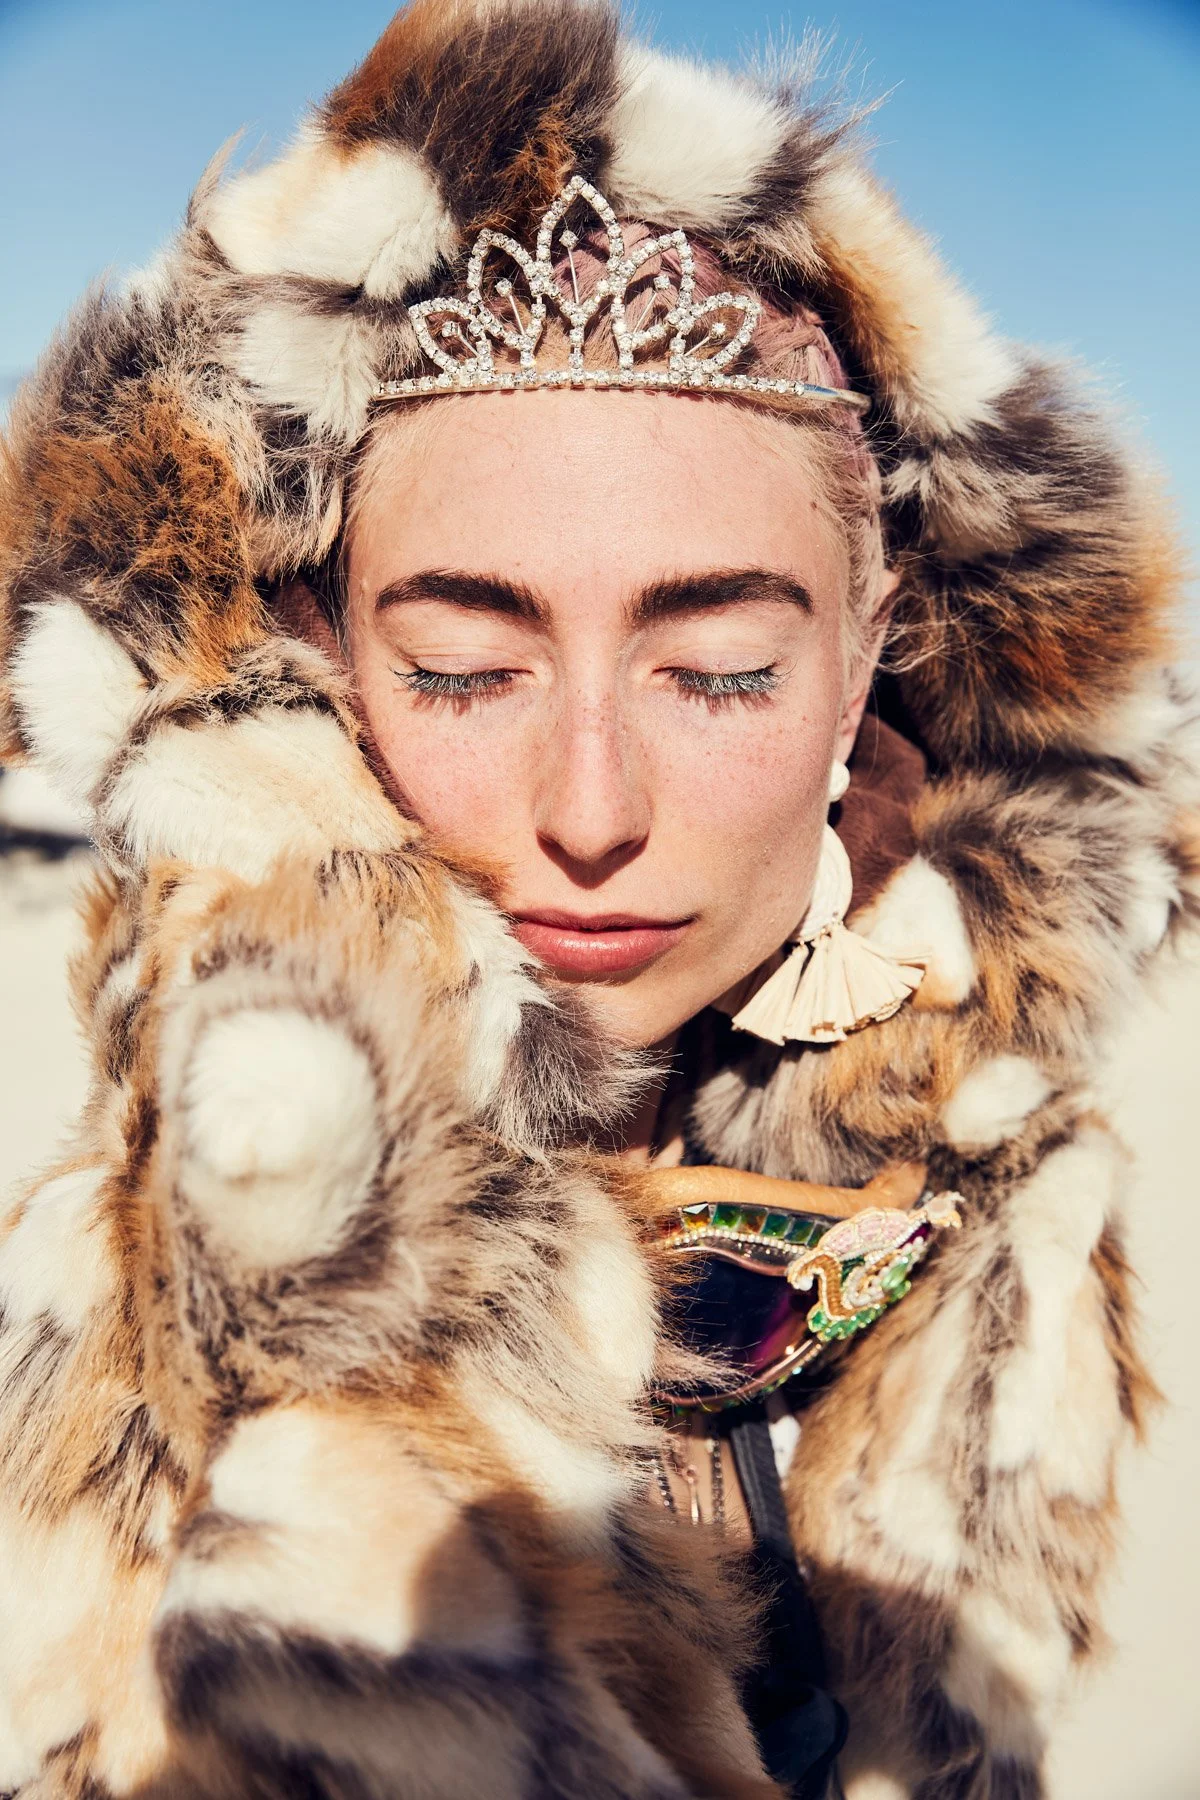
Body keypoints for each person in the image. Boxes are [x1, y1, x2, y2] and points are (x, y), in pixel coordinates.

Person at [0, 2, 1192, 1796]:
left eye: (716, 669)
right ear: (319, 671)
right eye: (467, 669)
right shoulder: (162, 1309)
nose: (588, 813)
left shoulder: (990, 1210)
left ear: (872, 653)